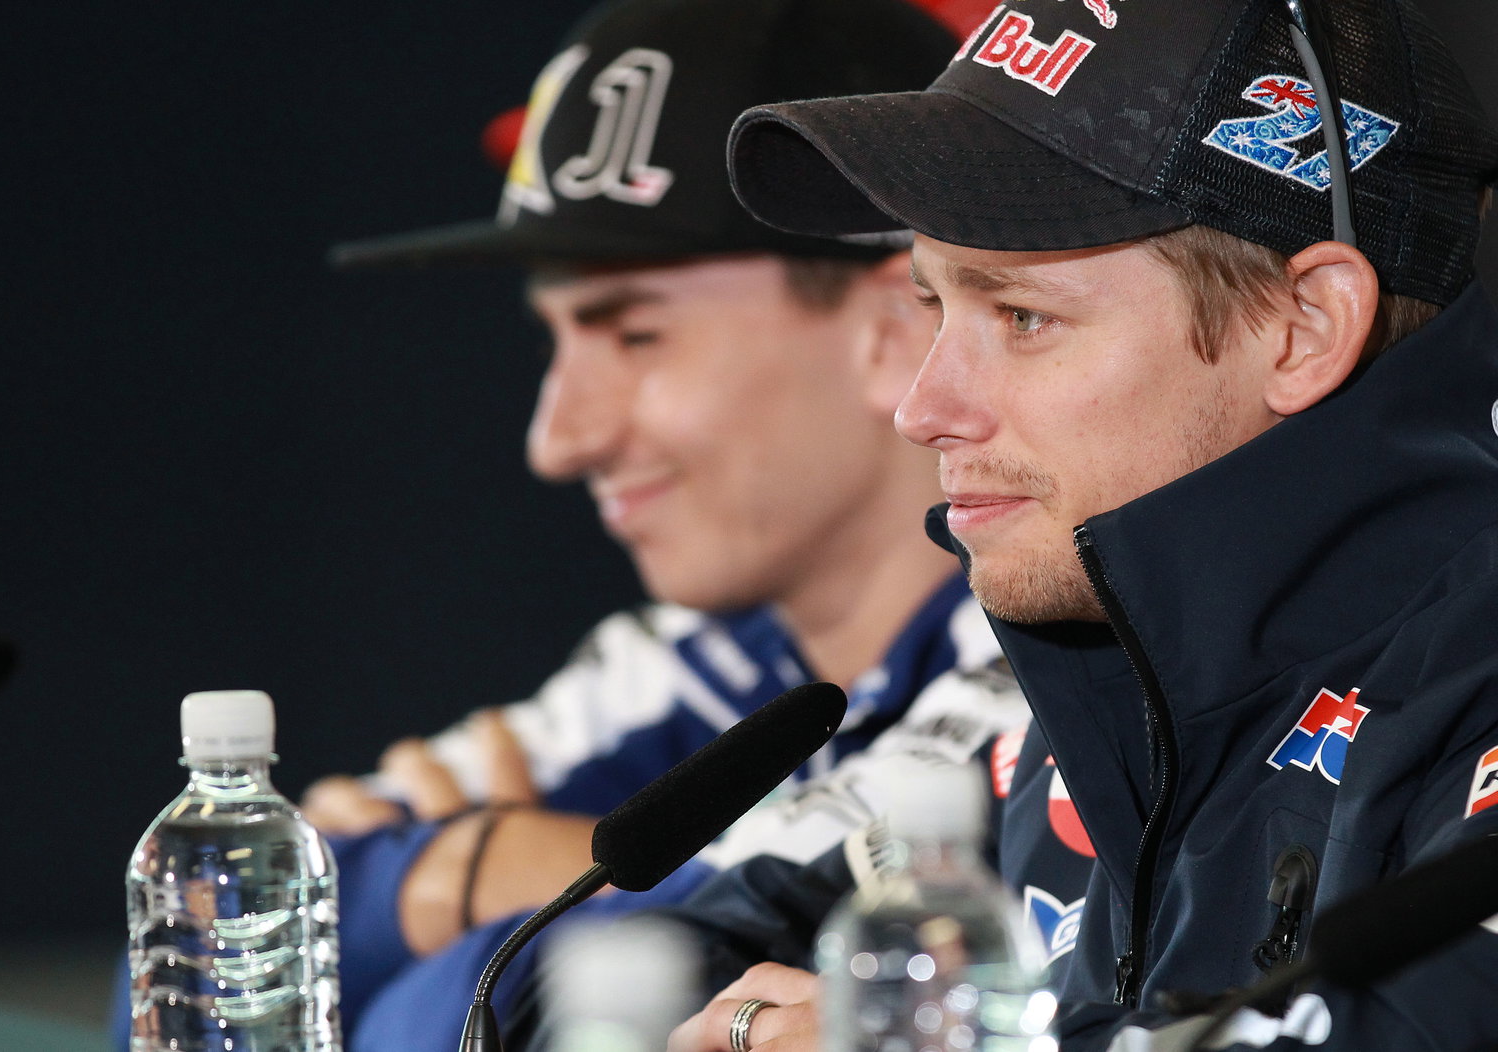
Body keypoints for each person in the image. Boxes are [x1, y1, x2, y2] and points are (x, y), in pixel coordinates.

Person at [666, 0, 1498, 1048]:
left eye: (1020, 317)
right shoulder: (1080, 696)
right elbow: (627, 957)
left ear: (1302, 328)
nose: (921, 408)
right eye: (933, 307)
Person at [284, 2, 1091, 1051]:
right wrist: (463, 874)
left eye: (633, 333)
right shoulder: (697, 660)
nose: (556, 439)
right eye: (556, 340)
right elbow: (198, 951)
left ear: (899, 326)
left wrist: (468, 870)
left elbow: (476, 1019)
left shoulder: (1052, 666)